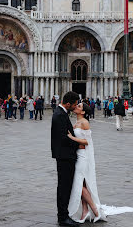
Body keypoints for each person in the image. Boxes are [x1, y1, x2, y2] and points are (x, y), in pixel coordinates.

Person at [68, 103, 107, 223]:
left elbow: (87, 141)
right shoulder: (76, 122)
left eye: (79, 106)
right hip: (77, 155)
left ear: (83, 112)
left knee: (78, 183)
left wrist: (71, 137)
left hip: (83, 156)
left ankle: (95, 211)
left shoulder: (84, 122)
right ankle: (85, 211)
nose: (76, 107)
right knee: (82, 184)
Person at [51, 91, 80, 227]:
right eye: (74, 105)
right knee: (64, 187)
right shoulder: (59, 115)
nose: (75, 107)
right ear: (68, 103)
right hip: (65, 156)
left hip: (64, 155)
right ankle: (63, 217)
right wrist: (78, 144)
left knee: (64, 186)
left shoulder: (60, 113)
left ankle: (63, 215)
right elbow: (64, 138)